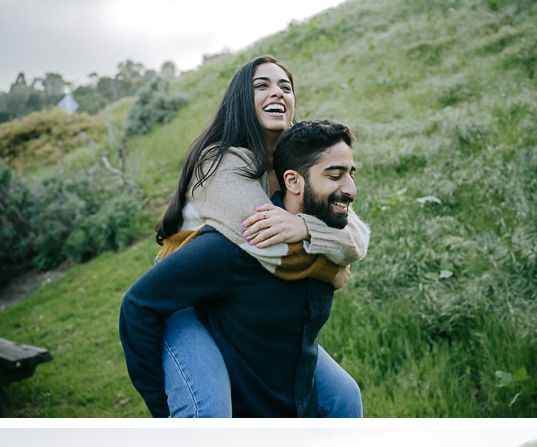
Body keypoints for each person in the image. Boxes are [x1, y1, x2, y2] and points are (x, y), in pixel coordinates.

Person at [121, 54, 369, 417]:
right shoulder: (219, 162)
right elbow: (271, 248)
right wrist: (332, 269)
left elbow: (355, 236)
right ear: (241, 99)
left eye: (286, 86)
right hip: (186, 296)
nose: (278, 92)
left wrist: (306, 227)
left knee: (344, 397)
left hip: (240, 292)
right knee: (209, 410)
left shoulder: (295, 164)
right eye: (262, 85)